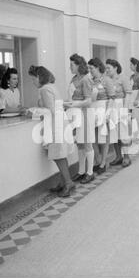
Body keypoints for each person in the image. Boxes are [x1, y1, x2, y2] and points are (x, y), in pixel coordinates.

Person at [28, 65, 76, 197]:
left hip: (56, 124)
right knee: (61, 154)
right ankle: (64, 182)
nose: (33, 82)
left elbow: (50, 109)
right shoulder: (51, 86)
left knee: (58, 155)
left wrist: (33, 112)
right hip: (62, 121)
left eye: (33, 79)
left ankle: (68, 183)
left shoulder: (44, 89)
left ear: (38, 77)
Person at [64, 54, 95, 184]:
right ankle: (81, 171)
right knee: (80, 143)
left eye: (72, 64)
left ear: (78, 65)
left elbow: (88, 100)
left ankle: (90, 172)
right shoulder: (74, 78)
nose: (70, 67)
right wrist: (67, 104)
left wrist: (74, 104)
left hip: (85, 113)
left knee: (87, 143)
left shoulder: (86, 79)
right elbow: (73, 97)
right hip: (75, 113)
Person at [88, 58, 115, 175]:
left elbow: (112, 97)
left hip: (103, 109)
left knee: (103, 137)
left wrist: (108, 113)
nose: (90, 70)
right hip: (92, 110)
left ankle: (103, 163)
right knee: (93, 137)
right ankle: (98, 160)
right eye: (89, 68)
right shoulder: (90, 81)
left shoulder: (106, 80)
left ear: (98, 67)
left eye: (91, 68)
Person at [106, 59, 132, 168]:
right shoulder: (106, 80)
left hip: (121, 105)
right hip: (111, 107)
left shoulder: (123, 78)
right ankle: (118, 156)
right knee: (114, 133)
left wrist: (125, 109)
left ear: (115, 68)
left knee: (123, 132)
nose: (107, 70)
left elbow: (129, 94)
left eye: (109, 68)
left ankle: (126, 156)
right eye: (106, 68)